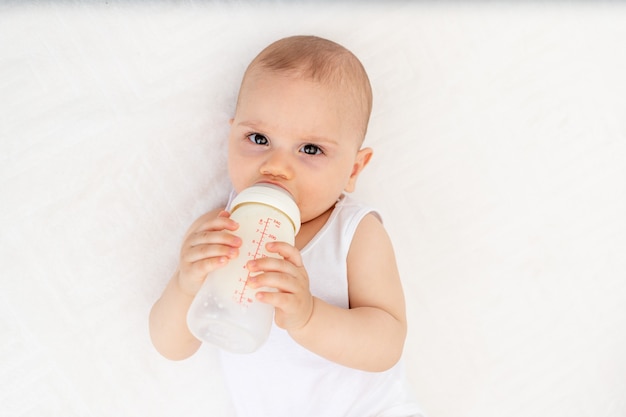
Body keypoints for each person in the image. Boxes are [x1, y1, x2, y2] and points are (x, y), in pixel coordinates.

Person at [149, 35, 423, 417]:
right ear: (231, 135)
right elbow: (171, 346)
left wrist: (308, 316)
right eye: (258, 138)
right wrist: (185, 283)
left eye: (310, 149)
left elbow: (387, 342)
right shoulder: (221, 229)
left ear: (354, 169)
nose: (276, 166)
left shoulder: (354, 233)